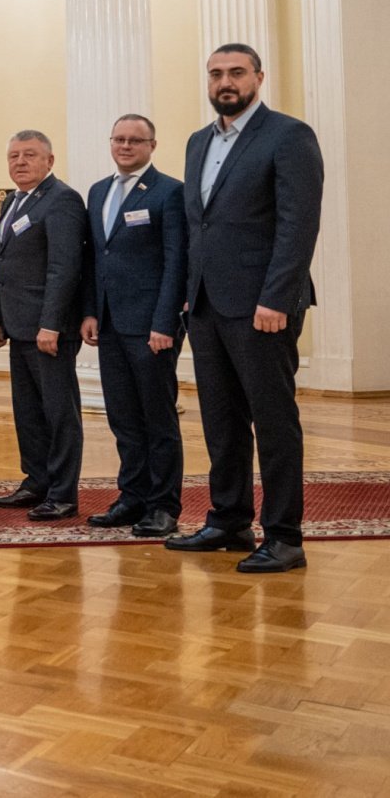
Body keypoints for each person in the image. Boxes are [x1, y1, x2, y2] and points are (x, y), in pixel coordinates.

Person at [166, 44, 324, 574]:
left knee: (273, 422)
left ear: (259, 76)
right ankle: (229, 520)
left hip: (263, 306)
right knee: (221, 421)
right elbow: (199, 226)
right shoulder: (197, 142)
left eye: (236, 73)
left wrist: (277, 297)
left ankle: (284, 536)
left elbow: (297, 225)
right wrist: (190, 291)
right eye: (215, 74)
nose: (225, 82)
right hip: (208, 305)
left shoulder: (288, 135)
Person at [81, 115, 188, 538]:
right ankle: (132, 496)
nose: (125, 146)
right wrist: (89, 311)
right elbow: (95, 257)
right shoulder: (98, 192)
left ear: (152, 145)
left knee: (157, 419)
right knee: (122, 417)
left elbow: (176, 262)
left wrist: (165, 322)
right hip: (108, 324)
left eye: (135, 140)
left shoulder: (169, 192)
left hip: (151, 328)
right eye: (119, 139)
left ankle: (163, 505)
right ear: (110, 143)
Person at [0, 130, 88, 522]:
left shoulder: (61, 199)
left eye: (30, 155)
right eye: (13, 155)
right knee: (27, 411)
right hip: (17, 325)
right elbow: (4, 267)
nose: (20, 162)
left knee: (59, 412)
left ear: (50, 160)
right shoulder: (12, 201)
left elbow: (64, 268)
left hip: (49, 330)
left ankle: (63, 493)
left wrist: (52, 323)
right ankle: (36, 481)